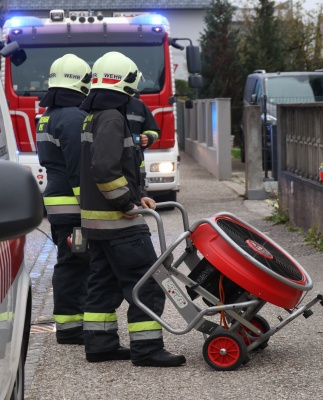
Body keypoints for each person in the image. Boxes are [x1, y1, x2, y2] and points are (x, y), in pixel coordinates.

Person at [78, 51, 186, 367]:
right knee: (147, 282)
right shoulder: (112, 116)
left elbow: (105, 168)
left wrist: (139, 198)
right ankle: (147, 349)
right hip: (118, 222)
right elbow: (106, 169)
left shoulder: (94, 115)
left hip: (98, 224)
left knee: (104, 284)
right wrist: (127, 204)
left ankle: (100, 346)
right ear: (125, 82)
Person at [35, 54, 92, 345]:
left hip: (60, 205)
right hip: (73, 207)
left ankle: (72, 324)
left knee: (70, 262)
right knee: (74, 265)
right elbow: (79, 167)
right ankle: (72, 328)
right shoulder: (73, 117)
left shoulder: (49, 115)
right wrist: (90, 205)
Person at [126, 93, 159, 192]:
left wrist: (148, 137)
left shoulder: (138, 106)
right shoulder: (103, 105)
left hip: (136, 166)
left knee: (138, 200)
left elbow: (153, 130)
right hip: (111, 165)